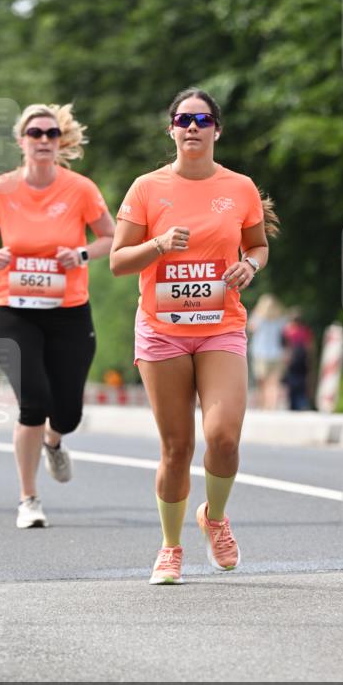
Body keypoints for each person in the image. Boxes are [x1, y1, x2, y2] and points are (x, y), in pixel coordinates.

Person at [110, 87, 277, 584]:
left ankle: (216, 518)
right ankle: (170, 546)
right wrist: (158, 244)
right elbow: (118, 261)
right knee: (177, 448)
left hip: (221, 325)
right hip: (163, 331)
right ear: (171, 130)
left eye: (202, 119)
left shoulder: (241, 187)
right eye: (183, 119)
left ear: (217, 130)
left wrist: (250, 265)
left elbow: (259, 246)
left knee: (223, 438)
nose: (192, 127)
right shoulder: (146, 188)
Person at [0, 103, 115, 528]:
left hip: (68, 311)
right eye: (35, 133)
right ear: (21, 141)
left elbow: (110, 237)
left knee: (67, 412)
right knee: (34, 400)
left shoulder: (80, 189)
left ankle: (54, 441)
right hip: (13, 310)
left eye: (50, 133)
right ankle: (28, 499)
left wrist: (79, 253)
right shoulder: (1, 189)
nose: (43, 140)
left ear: (59, 140)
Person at [247, 294, 287, 409]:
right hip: (277, 353)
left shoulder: (257, 318)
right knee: (274, 383)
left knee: (262, 382)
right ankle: (272, 405)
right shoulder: (280, 319)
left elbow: (250, 328)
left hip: (260, 354)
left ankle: (263, 405)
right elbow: (285, 333)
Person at [281, 309, 315, 411]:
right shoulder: (305, 330)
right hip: (302, 361)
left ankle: (293, 405)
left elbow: (285, 347)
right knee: (302, 383)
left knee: (291, 383)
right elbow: (310, 347)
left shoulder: (287, 331)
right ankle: (302, 403)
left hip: (292, 361)